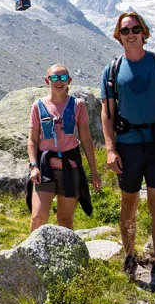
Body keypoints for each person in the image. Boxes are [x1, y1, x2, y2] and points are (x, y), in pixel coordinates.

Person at [100, 11, 155, 289]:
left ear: (144, 32)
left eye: (136, 28)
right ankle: (129, 257)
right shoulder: (112, 70)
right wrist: (110, 148)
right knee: (129, 203)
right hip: (128, 145)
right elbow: (107, 113)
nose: (131, 33)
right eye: (126, 30)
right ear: (119, 35)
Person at [27, 64, 100, 231]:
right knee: (38, 217)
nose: (58, 82)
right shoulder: (38, 106)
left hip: (70, 168)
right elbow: (32, 140)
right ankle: (32, 255)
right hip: (45, 169)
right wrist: (34, 166)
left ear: (69, 81)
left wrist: (94, 171)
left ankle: (67, 256)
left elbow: (86, 139)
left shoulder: (78, 105)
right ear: (47, 81)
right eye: (54, 78)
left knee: (66, 220)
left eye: (62, 78)